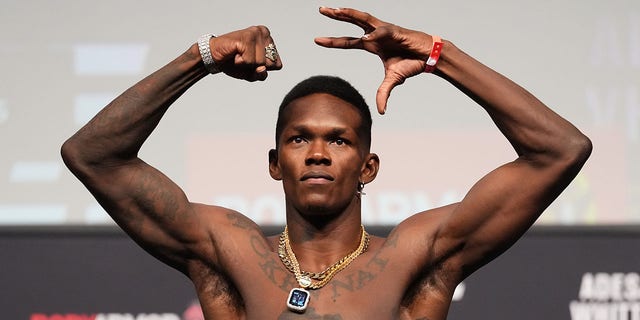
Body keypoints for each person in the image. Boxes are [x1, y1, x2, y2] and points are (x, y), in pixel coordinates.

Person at [61, 7, 592, 320]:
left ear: (369, 167)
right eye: (299, 139)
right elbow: (92, 154)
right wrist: (200, 57)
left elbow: (559, 150)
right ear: (274, 163)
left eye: (338, 141)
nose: (317, 153)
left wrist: (436, 53)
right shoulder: (228, 253)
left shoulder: (415, 259)